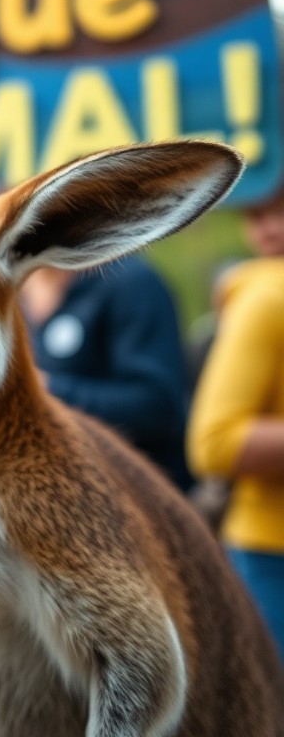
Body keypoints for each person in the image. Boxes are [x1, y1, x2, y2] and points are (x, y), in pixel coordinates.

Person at [189, 183, 284, 659]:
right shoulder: (267, 296)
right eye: (256, 214)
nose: (270, 227)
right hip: (271, 552)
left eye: (280, 210)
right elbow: (215, 441)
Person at [22, 258, 193, 491]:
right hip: (54, 485)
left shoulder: (130, 282)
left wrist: (45, 388)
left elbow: (158, 406)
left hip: (143, 493)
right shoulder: (12, 289)